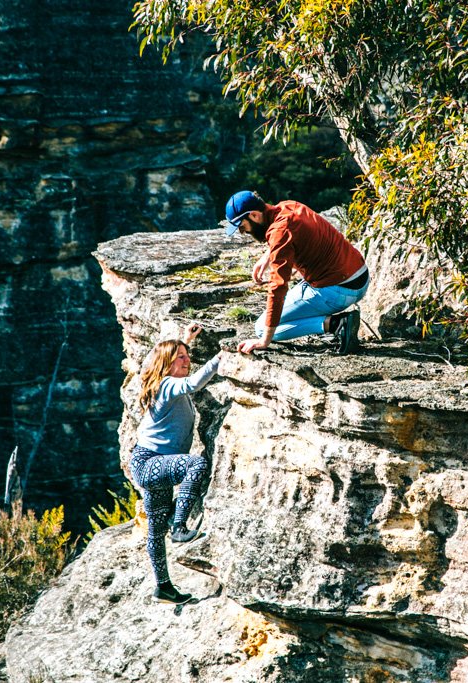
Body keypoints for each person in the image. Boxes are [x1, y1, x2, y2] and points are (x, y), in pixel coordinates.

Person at [130, 322, 221, 604]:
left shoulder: (162, 380)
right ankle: (179, 526)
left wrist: (184, 340)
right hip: (150, 463)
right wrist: (222, 357)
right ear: (167, 363)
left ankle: (163, 588)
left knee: (155, 532)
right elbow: (193, 383)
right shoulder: (167, 385)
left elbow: (165, 360)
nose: (188, 360)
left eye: (187, 355)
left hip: (150, 464)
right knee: (196, 465)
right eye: (181, 357)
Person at [223, 190, 370, 356]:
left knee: (261, 328)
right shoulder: (289, 206)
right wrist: (268, 257)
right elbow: (288, 236)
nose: (243, 232)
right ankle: (335, 320)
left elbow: (278, 288)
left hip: (339, 290)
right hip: (360, 277)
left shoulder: (279, 232)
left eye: (242, 227)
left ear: (255, 216)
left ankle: (336, 323)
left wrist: (265, 341)